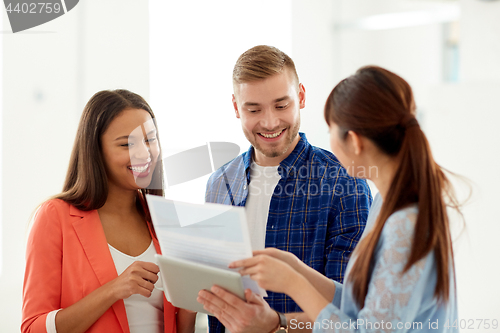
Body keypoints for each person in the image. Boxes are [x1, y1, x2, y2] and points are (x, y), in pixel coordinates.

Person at [229, 66, 460, 332]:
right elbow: (356, 308)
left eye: (330, 129)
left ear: (354, 141)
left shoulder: (404, 225)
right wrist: (296, 272)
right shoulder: (384, 204)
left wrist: (293, 283)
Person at [197, 45, 372, 333]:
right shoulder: (219, 184)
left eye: (281, 105)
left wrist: (275, 325)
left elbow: (349, 312)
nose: (269, 122)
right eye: (253, 109)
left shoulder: (345, 183)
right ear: (235, 107)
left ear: (301, 97)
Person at [22, 90, 196, 333]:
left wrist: (191, 302)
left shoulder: (164, 220)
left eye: (150, 139)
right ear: (96, 151)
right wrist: (113, 289)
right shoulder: (55, 216)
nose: (144, 153)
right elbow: (33, 328)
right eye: (127, 144)